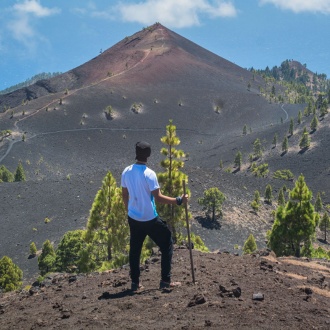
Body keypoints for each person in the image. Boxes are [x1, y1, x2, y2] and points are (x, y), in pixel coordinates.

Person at [121, 141, 188, 291]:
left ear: (136, 152)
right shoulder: (149, 174)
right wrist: (178, 201)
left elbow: (124, 194)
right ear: (149, 155)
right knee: (167, 243)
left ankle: (135, 283)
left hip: (134, 218)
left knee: (135, 250)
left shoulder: (126, 171)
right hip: (150, 218)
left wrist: (129, 210)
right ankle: (165, 281)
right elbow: (158, 197)